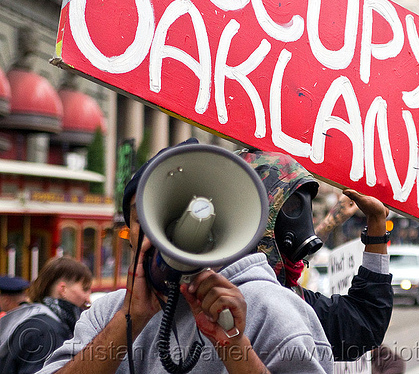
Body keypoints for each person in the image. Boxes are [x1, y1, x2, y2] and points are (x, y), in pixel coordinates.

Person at [37, 139, 334, 373]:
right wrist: (126, 323)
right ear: (130, 234)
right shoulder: (109, 312)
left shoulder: (271, 308)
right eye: (142, 219)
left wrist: (234, 347)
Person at [238, 149, 393, 361]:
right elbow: (365, 322)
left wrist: (331, 223)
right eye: (291, 207)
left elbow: (362, 323)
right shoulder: (287, 308)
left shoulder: (192, 287)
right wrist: (376, 225)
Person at [0, 256, 92, 374]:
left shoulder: (35, 317)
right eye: (85, 289)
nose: (88, 298)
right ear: (63, 289)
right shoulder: (47, 330)